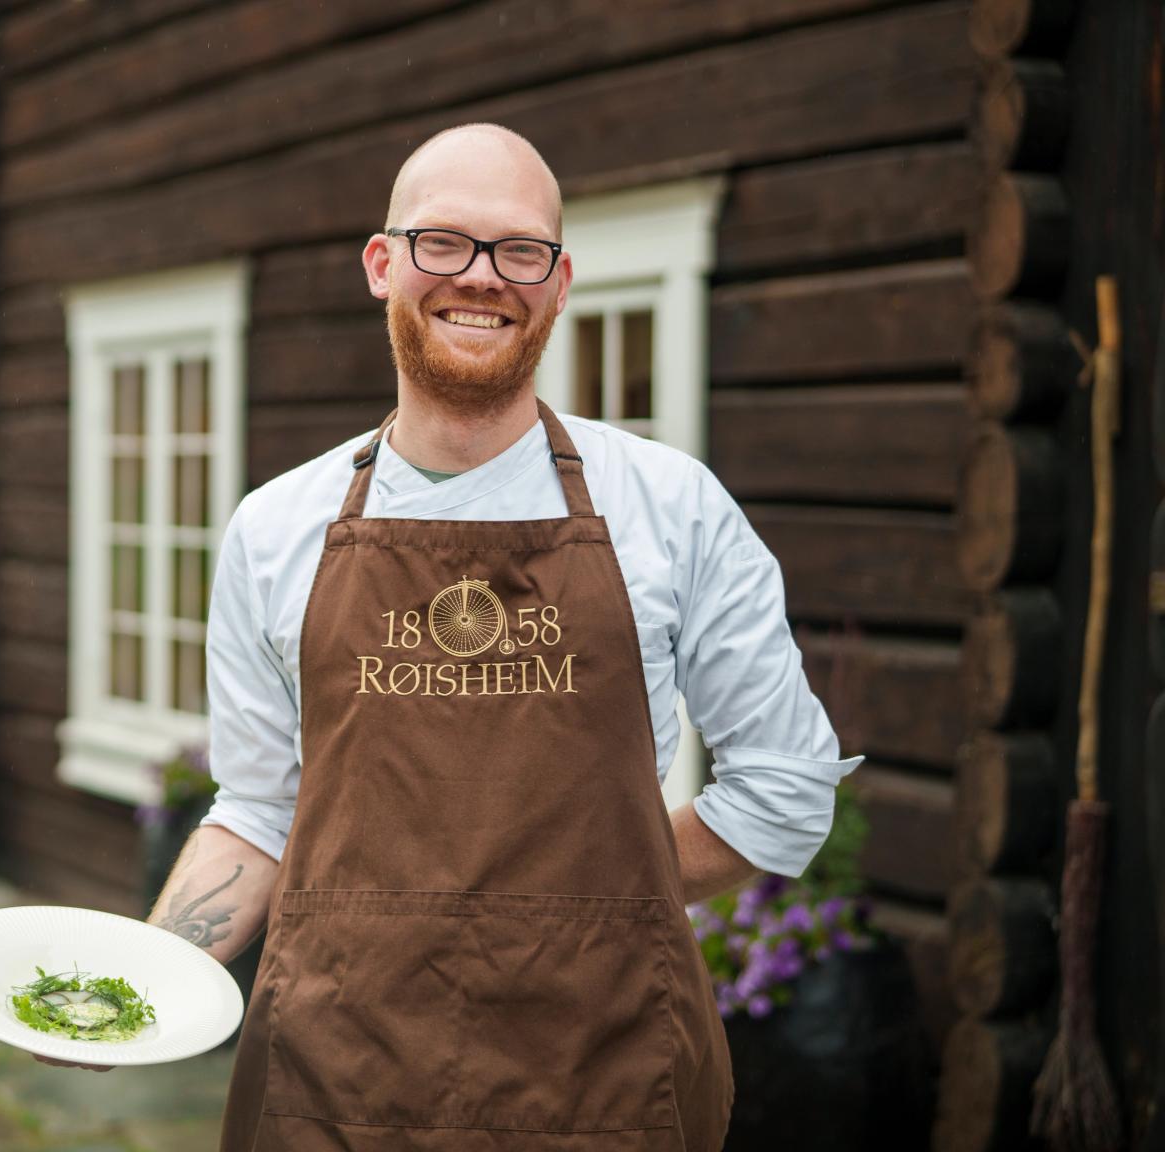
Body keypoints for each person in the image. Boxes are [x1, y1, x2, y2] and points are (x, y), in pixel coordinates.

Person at [42, 123, 861, 1152]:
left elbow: (783, 789)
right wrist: (139, 987)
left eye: (518, 250)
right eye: (442, 242)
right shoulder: (274, 527)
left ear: (558, 283)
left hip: (603, 1072)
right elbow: (256, 809)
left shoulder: (669, 506)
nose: (481, 277)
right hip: (335, 1069)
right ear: (382, 265)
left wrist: (583, 904)